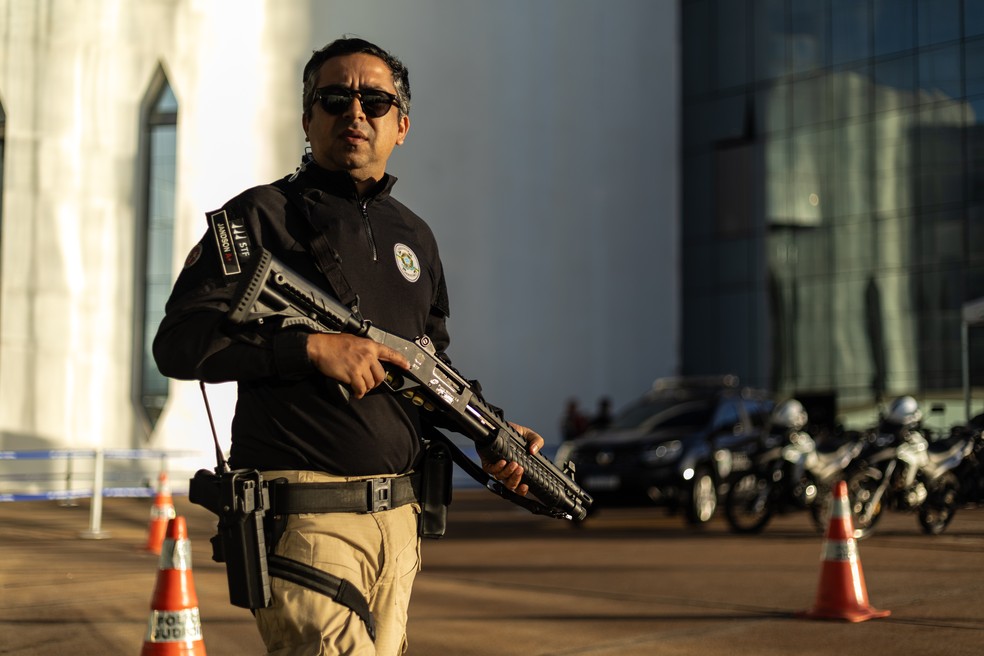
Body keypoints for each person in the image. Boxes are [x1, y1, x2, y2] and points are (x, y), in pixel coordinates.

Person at [154, 37, 543, 656]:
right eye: (334, 99)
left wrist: (487, 431)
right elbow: (178, 344)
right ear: (308, 119)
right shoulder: (257, 218)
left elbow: (426, 370)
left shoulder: (415, 237)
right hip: (304, 517)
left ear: (402, 124)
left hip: (399, 522)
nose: (355, 113)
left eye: (375, 101)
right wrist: (307, 349)